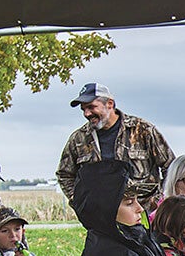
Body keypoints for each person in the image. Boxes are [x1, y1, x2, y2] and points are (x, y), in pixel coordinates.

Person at [56, 82, 174, 210]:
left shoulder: (143, 130)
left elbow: (171, 167)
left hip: (143, 213)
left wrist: (159, 202)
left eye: (91, 107)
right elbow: (64, 174)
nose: (87, 113)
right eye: (83, 109)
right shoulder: (79, 139)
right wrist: (80, 203)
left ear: (110, 104)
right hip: (101, 217)